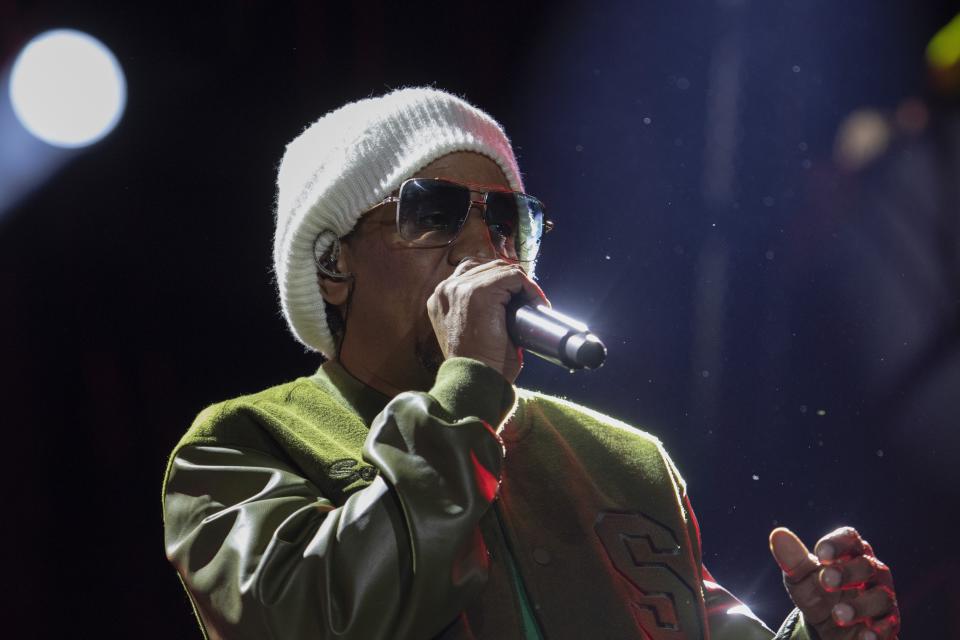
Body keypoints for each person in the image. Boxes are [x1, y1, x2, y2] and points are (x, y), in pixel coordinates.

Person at [162, 88, 900, 640]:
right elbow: (314, 619)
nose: (484, 248)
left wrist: (819, 628)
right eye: (436, 211)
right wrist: (466, 398)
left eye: (507, 219)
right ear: (331, 263)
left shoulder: (625, 459)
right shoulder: (245, 443)